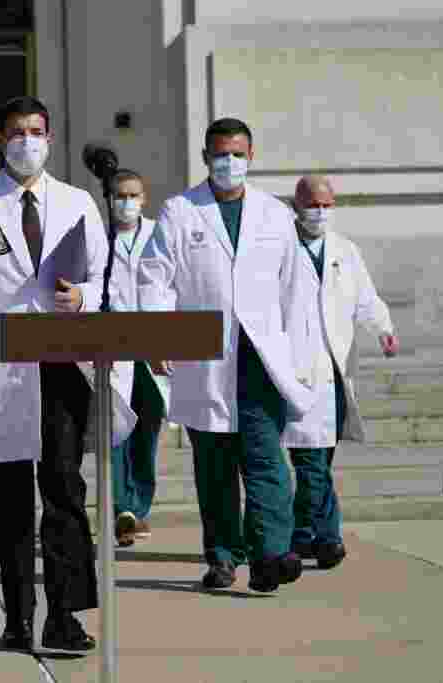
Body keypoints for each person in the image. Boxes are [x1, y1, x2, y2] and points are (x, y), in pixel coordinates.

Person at [0, 95, 125, 653]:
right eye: (16, 132)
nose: (26, 141)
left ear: (51, 137)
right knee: (9, 502)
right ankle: (18, 617)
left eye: (35, 131)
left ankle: (63, 616)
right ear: (0, 139)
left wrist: (83, 295)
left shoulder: (78, 202)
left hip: (62, 365)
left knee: (64, 491)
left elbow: (101, 274)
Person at [138, 117, 318, 593]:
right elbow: (153, 278)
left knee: (266, 461)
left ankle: (272, 555)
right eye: (221, 154)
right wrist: (157, 337)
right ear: (205, 157)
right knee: (215, 467)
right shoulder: (181, 210)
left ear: (252, 157)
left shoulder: (275, 214)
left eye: (238, 154)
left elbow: (295, 289)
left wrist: (301, 356)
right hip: (205, 354)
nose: (230, 162)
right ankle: (222, 557)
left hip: (262, 357)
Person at [282, 175, 399, 569]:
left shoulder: (345, 251)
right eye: (313, 204)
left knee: (320, 460)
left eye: (327, 205)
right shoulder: (279, 248)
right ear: (296, 204)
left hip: (334, 369)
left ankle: (300, 534)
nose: (320, 212)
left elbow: (366, 299)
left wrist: (383, 329)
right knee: (310, 462)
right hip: (295, 371)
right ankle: (329, 538)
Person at [105, 169, 170, 547]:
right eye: (119, 195)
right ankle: (122, 510)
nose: (126, 202)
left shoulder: (159, 234)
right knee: (116, 430)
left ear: (144, 199)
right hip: (113, 348)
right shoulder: (98, 238)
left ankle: (139, 507)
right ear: (109, 198)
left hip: (153, 349)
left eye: (133, 195)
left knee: (146, 431)